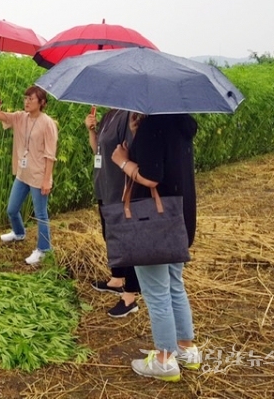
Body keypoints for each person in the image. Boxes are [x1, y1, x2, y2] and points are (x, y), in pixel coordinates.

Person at [110, 113, 200, 382]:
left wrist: (122, 160)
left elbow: (152, 176)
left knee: (158, 292)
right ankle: (187, 348)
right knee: (174, 283)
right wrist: (138, 136)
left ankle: (164, 360)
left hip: (153, 224)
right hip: (179, 217)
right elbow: (166, 161)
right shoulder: (181, 122)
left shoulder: (153, 125)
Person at [0, 80, 58, 265]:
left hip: (38, 175)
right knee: (12, 209)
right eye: (25, 98)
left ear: (41, 102)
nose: (26, 102)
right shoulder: (20, 117)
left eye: (31, 99)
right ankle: (19, 233)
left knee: (41, 214)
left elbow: (50, 154)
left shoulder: (47, 123)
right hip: (22, 173)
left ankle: (43, 249)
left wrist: (47, 179)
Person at [85, 108, 141, 318]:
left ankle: (130, 295)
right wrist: (91, 131)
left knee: (126, 241)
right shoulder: (109, 115)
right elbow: (98, 150)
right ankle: (117, 278)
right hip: (105, 185)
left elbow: (130, 151)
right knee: (110, 235)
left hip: (120, 189)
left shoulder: (129, 116)